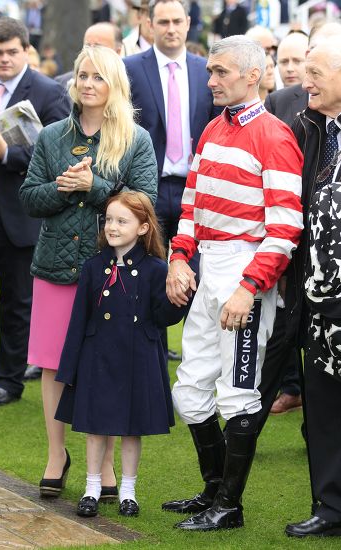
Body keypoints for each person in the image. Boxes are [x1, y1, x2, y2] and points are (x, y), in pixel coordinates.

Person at [162, 35, 303, 531]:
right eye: (210, 72)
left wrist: (249, 287)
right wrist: (179, 258)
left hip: (246, 271)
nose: (212, 80)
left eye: (221, 72)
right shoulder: (211, 131)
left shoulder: (275, 135)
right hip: (208, 266)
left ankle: (230, 507)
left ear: (252, 75)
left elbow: (285, 227)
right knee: (191, 389)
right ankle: (212, 491)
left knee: (238, 392)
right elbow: (190, 207)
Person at [19, 45, 157, 499]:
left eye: (98, 76)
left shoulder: (135, 139)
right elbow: (29, 198)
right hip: (56, 265)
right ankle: (57, 455)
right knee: (53, 363)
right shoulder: (52, 136)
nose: (88, 83)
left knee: (108, 364)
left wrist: (94, 186)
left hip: (113, 272)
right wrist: (63, 188)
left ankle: (106, 469)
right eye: (82, 75)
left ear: (114, 82)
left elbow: (146, 204)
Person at [55, 191, 188, 518]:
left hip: (139, 357)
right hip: (98, 357)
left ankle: (128, 491)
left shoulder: (158, 269)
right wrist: (69, 368)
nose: (112, 227)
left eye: (121, 221)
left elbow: (164, 318)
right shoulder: (93, 267)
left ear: (143, 228)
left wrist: (176, 294)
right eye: (109, 220)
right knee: (96, 426)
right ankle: (92, 488)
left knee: (132, 428)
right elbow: (78, 320)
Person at [0, 16, 69, 405]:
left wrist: (7, 154)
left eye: (12, 51)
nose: (4, 59)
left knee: (17, 300)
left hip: (22, 212)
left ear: (25, 50)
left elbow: (57, 156)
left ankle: (8, 381)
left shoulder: (47, 93)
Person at [124, 0, 219, 361]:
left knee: (196, 272)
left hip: (194, 188)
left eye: (177, 21)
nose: (170, 28)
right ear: (149, 24)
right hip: (148, 186)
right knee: (147, 272)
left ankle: (198, 352)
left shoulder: (204, 70)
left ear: (189, 22)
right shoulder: (130, 68)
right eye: (162, 21)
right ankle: (154, 349)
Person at [285, 35, 341, 538]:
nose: (306, 83)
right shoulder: (310, 128)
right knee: (323, 407)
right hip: (318, 299)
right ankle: (329, 508)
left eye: (316, 73)